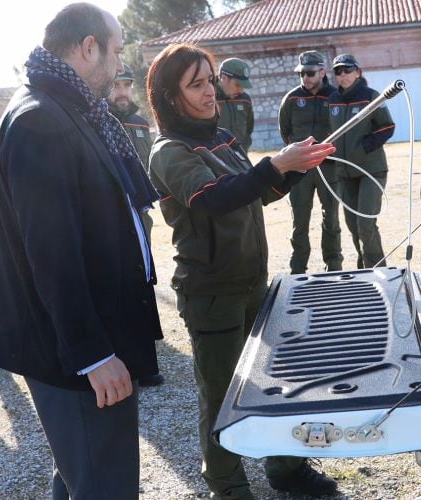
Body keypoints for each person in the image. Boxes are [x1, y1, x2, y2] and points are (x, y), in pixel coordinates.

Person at [0, 4, 162, 498]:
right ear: (88, 47)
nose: (119, 64)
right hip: (76, 352)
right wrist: (93, 354)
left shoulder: (69, 107)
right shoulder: (41, 120)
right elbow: (52, 253)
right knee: (103, 483)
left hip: (92, 336)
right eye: (117, 50)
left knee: (82, 473)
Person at [146, 43, 338, 498]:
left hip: (254, 282)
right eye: (196, 84)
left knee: (276, 380)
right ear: (171, 97)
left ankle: (287, 469)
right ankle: (227, 487)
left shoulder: (221, 138)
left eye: (209, 80)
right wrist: (275, 164)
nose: (210, 91)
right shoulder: (169, 151)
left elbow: (253, 191)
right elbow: (215, 197)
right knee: (220, 396)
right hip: (210, 292)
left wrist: (294, 169)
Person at [108, 63, 165, 388]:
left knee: (143, 273)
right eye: (117, 85)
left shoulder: (140, 122)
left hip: (139, 211)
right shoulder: (99, 119)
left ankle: (145, 345)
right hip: (110, 212)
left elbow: (148, 164)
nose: (122, 91)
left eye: (126, 85)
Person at [328, 54, 395, 268]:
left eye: (347, 70)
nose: (343, 75)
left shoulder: (371, 96)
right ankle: (364, 266)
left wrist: (364, 147)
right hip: (344, 171)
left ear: (358, 72)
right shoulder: (333, 100)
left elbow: (387, 127)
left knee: (365, 223)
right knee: (352, 225)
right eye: (338, 71)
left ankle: (377, 268)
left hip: (370, 170)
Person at [279, 51, 343, 274]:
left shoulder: (335, 96)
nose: (305, 78)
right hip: (300, 170)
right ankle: (298, 269)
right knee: (300, 221)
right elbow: (285, 130)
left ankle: (334, 266)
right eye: (301, 73)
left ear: (322, 72)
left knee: (332, 220)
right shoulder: (292, 98)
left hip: (329, 167)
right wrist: (298, 156)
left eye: (310, 73)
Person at [216, 57, 255, 153]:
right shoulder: (208, 99)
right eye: (238, 85)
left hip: (240, 159)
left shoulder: (245, 100)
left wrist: (243, 149)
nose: (241, 90)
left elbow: (248, 130)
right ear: (224, 78)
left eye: (244, 86)